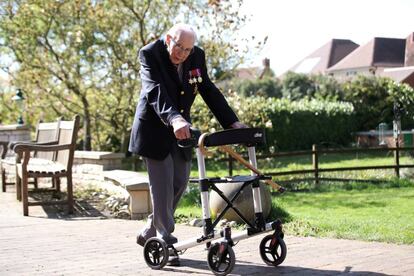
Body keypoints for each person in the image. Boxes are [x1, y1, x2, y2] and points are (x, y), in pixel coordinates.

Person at [128, 23, 246, 266]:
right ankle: (165, 240)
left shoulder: (196, 56)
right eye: (179, 47)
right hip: (155, 128)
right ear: (168, 38)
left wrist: (232, 122)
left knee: (180, 182)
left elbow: (208, 89)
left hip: (182, 131)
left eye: (187, 50)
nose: (182, 53)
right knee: (161, 187)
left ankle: (151, 228)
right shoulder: (150, 54)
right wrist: (174, 118)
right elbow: (154, 91)